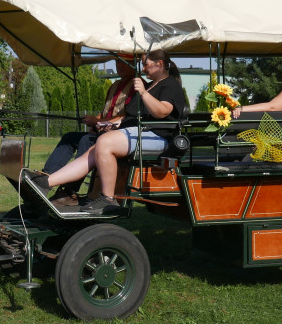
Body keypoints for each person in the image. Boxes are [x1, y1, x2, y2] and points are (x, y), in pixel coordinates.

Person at [26, 49, 188, 215]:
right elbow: (129, 117)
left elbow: (162, 112)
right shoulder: (152, 85)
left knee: (104, 142)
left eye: (145, 64)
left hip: (158, 137)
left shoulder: (170, 85)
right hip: (139, 132)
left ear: (160, 64)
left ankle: (108, 199)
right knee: (93, 149)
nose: (143, 69)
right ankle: (45, 182)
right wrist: (112, 124)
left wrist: (144, 93)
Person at [42, 55, 136, 206]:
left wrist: (98, 122)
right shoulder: (115, 85)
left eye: (125, 62)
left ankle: (69, 191)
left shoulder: (137, 85)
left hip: (117, 136)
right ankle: (44, 178)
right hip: (102, 131)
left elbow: (124, 117)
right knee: (70, 137)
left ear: (134, 64)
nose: (119, 65)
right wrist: (94, 119)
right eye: (117, 61)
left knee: (86, 140)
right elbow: (106, 112)